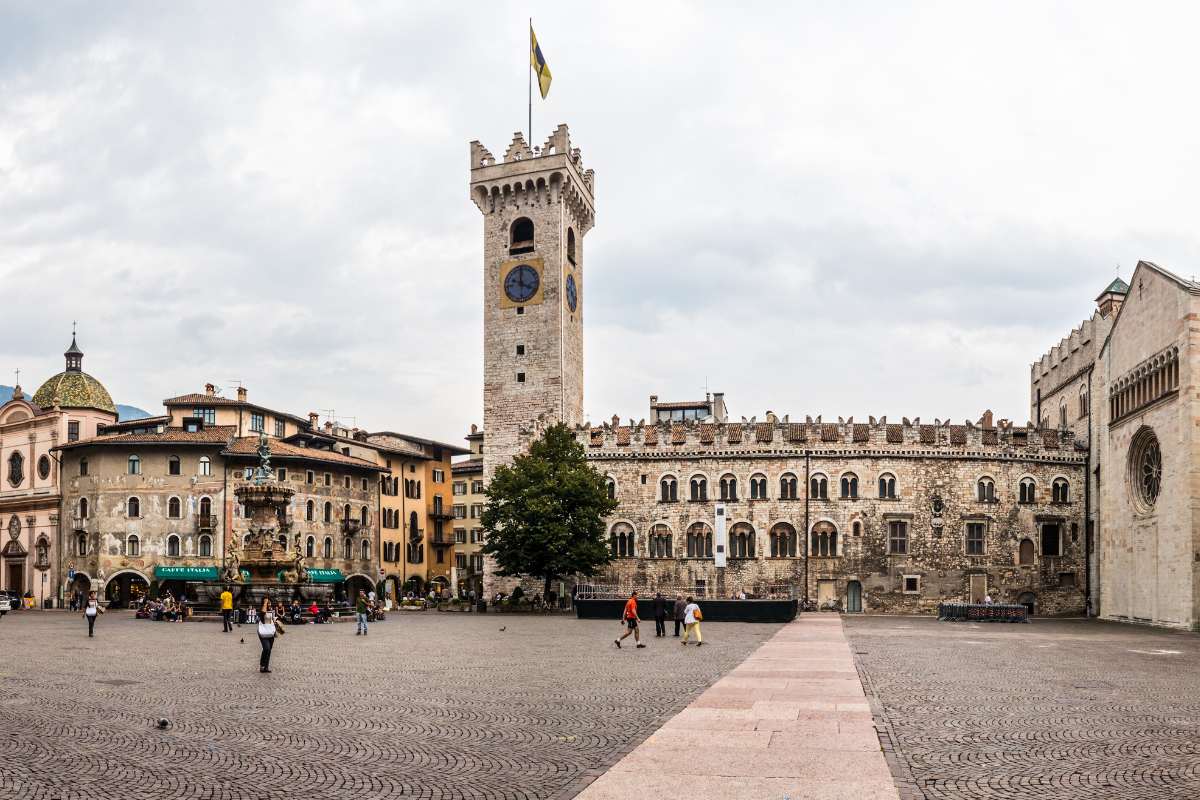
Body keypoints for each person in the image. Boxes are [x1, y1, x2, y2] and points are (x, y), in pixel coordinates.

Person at [257, 601, 284, 673]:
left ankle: (266, 667)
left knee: (269, 650)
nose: (269, 604)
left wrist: (277, 624)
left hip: (270, 632)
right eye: (267, 603)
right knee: (266, 648)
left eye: (269, 603)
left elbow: (272, 620)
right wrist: (265, 603)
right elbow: (263, 613)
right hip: (263, 632)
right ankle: (262, 665)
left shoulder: (272, 610)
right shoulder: (261, 611)